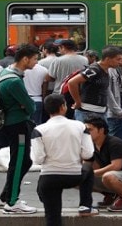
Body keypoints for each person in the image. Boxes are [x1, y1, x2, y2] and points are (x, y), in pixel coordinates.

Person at [31, 94, 98, 225]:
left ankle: (51, 204)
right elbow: (88, 154)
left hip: (49, 178)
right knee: (88, 170)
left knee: (52, 218)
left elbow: (38, 159)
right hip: (74, 175)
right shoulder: (80, 126)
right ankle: (85, 206)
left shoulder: (38, 130)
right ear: (63, 107)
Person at [0, 44, 38, 214]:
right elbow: (31, 106)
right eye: (35, 59)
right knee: (19, 162)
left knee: (24, 161)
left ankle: (4, 197)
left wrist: (24, 104)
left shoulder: (5, 72)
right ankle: (12, 202)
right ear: (25, 59)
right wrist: (26, 105)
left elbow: (25, 104)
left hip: (12, 123)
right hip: (17, 125)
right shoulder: (14, 81)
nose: (36, 62)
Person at [84, 116, 122, 212]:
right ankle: (111, 195)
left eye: (90, 130)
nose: (86, 133)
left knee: (108, 176)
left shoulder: (114, 143)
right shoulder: (92, 144)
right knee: (78, 175)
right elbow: (95, 166)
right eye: (85, 130)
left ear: (101, 130)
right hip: (112, 176)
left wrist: (93, 172)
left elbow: (116, 166)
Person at [68, 45, 122, 122]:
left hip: (101, 112)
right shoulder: (94, 70)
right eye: (118, 59)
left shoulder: (106, 70)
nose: (120, 62)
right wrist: (77, 102)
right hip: (87, 112)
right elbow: (72, 82)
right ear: (108, 59)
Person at [46, 39, 88, 118]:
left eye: (59, 47)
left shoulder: (58, 60)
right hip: (78, 94)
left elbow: (51, 77)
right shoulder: (84, 60)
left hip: (61, 94)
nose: (58, 50)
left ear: (63, 47)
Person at [107, 47, 122, 140]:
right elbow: (108, 94)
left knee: (120, 141)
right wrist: (117, 110)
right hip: (113, 112)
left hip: (119, 108)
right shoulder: (108, 71)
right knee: (114, 139)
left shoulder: (116, 70)